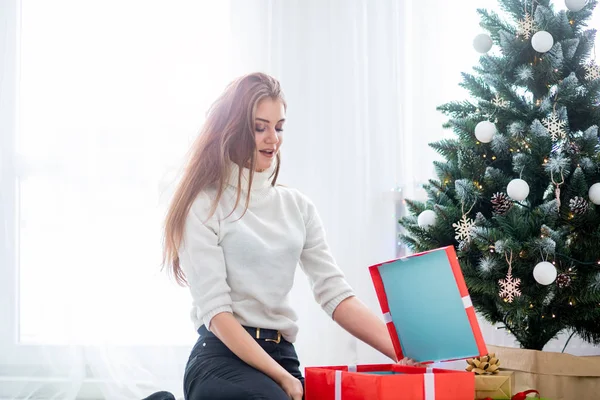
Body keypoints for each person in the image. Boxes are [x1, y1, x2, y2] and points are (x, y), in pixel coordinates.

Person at [162, 72, 417, 400]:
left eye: (278, 127)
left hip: (282, 355)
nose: (273, 138)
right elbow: (217, 315)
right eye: (259, 127)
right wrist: (283, 379)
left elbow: (335, 294)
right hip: (221, 357)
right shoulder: (204, 204)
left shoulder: (297, 207)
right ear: (234, 129)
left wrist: (400, 352)